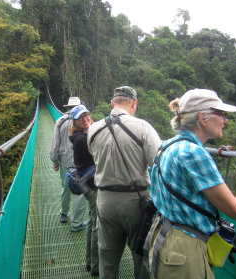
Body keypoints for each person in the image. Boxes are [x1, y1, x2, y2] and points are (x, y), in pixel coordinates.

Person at [147, 88, 236, 279]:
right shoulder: (193, 153)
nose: (225, 120)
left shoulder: (167, 145)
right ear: (203, 118)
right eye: (221, 114)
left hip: (163, 235)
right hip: (185, 248)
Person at [87, 86, 162, 279]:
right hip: (136, 202)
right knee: (140, 254)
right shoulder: (143, 127)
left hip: (104, 200)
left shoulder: (93, 129)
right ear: (134, 104)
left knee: (107, 255)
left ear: (112, 103)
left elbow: (94, 157)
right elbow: (159, 162)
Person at [68, 104, 99, 277]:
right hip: (92, 186)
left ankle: (89, 261)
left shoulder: (81, 135)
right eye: (81, 118)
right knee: (96, 225)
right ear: (76, 122)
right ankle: (95, 266)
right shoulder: (81, 139)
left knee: (92, 222)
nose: (86, 119)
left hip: (87, 184)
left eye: (87, 115)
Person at [50, 97, 87, 232]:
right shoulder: (84, 121)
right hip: (81, 163)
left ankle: (64, 214)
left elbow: (55, 145)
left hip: (65, 161)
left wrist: (55, 161)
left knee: (65, 186)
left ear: (67, 108)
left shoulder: (60, 121)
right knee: (80, 192)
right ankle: (77, 223)